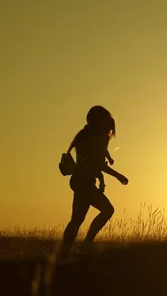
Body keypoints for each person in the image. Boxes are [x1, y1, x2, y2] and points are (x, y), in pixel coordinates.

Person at [58, 107, 128, 258]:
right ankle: (86, 243)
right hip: (84, 182)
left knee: (77, 219)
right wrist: (118, 175)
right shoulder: (93, 139)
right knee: (107, 210)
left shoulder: (85, 136)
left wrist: (106, 164)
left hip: (80, 181)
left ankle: (64, 252)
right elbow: (98, 164)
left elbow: (96, 160)